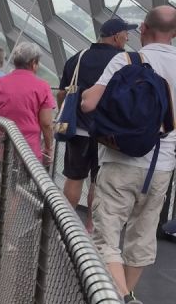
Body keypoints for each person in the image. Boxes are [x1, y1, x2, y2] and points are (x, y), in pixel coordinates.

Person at [81, 4, 176, 304]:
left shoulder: (127, 59)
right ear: (174, 34)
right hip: (162, 166)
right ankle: (127, 298)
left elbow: (89, 102)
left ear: (142, 30)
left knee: (106, 237)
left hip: (120, 160)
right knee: (142, 237)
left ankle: (121, 300)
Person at [56, 16, 135, 213]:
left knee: (74, 178)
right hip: (107, 134)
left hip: (78, 130)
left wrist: (63, 113)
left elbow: (62, 93)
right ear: (116, 37)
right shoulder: (124, 62)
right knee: (97, 182)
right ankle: (90, 230)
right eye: (126, 35)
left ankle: (65, 226)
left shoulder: (79, 57)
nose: (128, 39)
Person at [0, 42, 55, 166]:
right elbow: (46, 123)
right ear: (33, 63)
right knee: (18, 185)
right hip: (26, 150)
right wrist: (48, 148)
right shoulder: (43, 87)